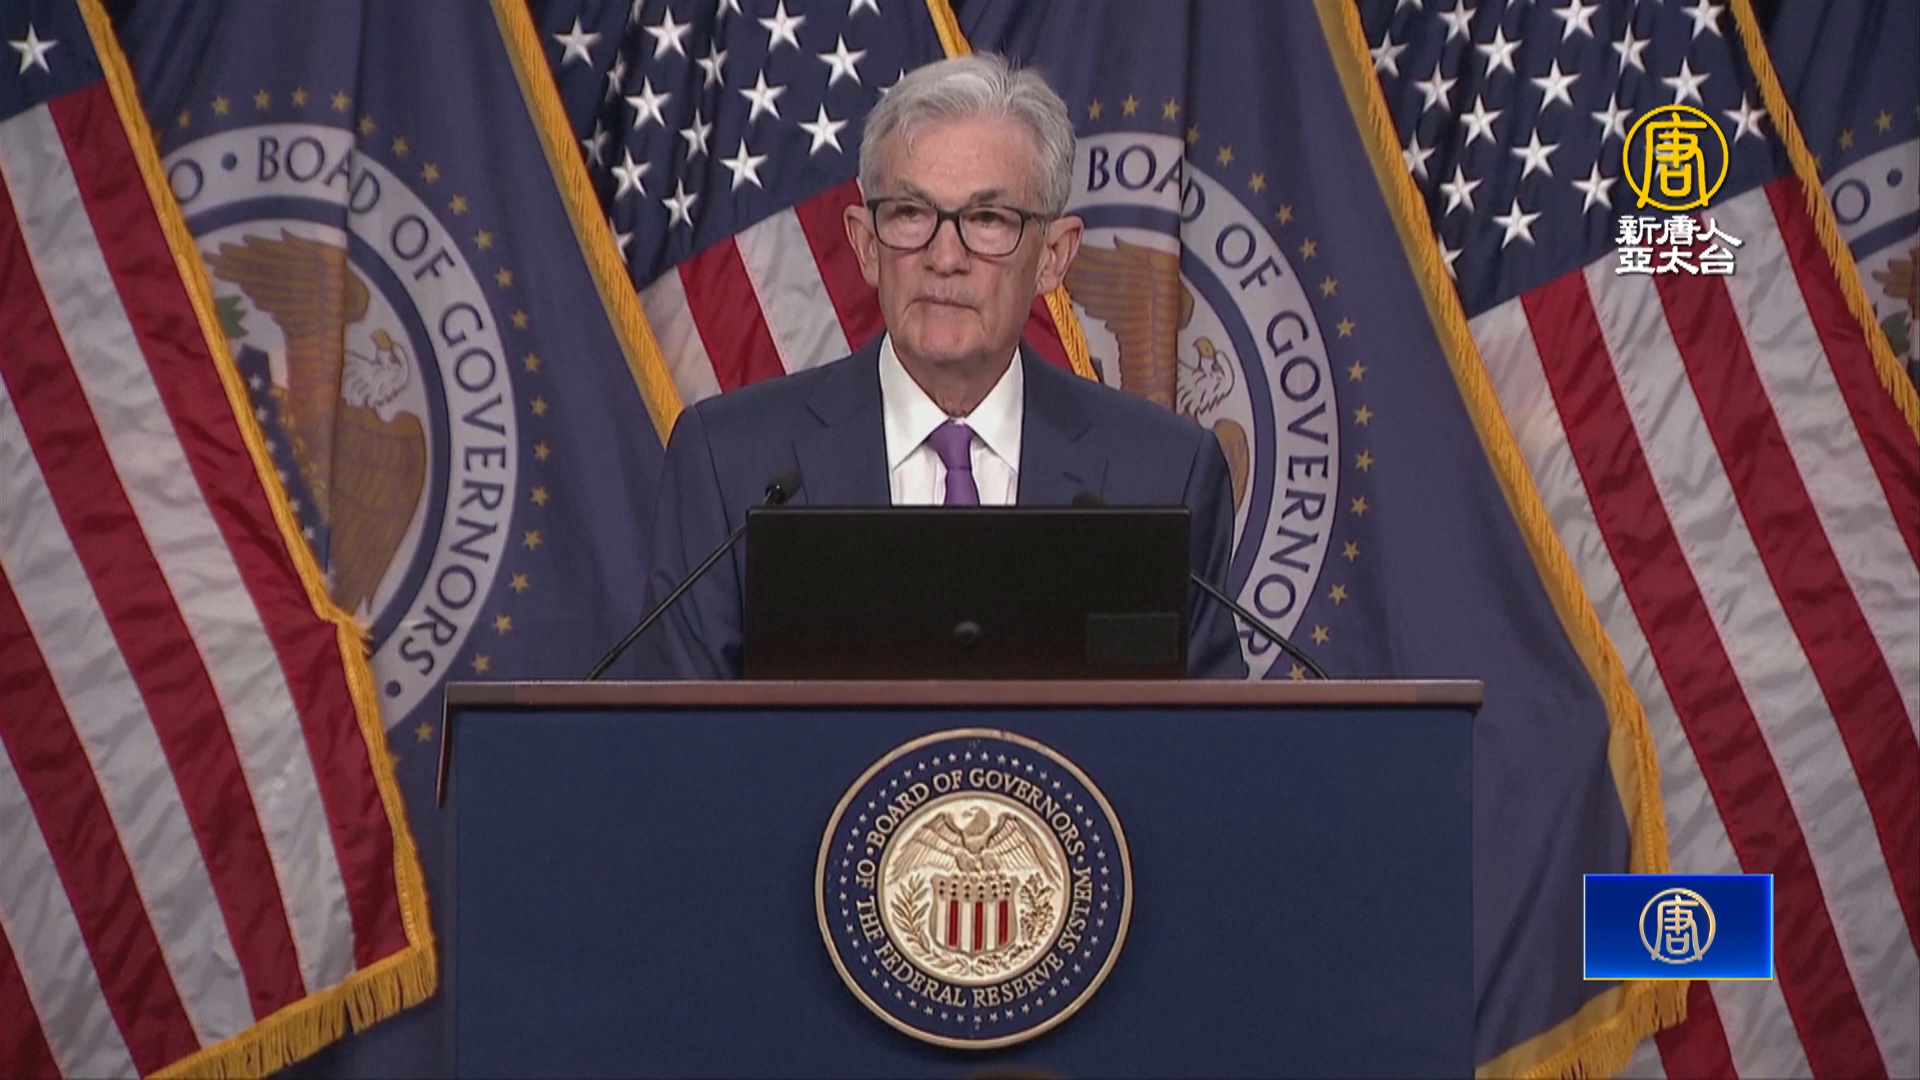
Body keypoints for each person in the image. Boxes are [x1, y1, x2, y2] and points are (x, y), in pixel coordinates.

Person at [627, 53, 1247, 680]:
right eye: (911, 214)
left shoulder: (1164, 475)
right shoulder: (730, 464)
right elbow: (679, 730)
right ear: (866, 245)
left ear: (1054, 257)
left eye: (987, 219)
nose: (944, 257)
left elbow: (1206, 735)